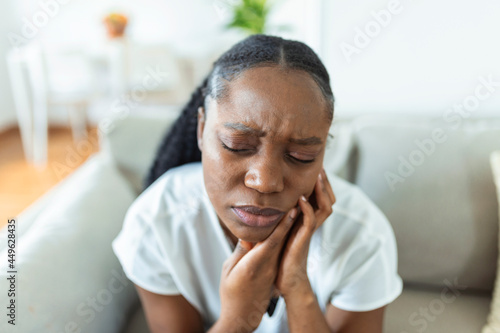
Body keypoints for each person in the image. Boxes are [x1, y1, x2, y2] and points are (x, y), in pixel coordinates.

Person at [112, 34, 403, 333]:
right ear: (202, 130)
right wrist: (237, 321)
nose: (265, 181)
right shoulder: (156, 223)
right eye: (237, 145)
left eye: (301, 155)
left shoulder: (362, 236)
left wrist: (296, 286)